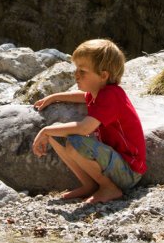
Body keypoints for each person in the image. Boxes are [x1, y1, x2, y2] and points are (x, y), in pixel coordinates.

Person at [31, 39, 146, 204]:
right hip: (114, 164)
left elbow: (85, 128)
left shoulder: (111, 95)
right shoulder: (99, 92)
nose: (76, 74)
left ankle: (109, 188)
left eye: (82, 71)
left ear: (103, 75)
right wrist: (54, 97)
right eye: (76, 69)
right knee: (57, 134)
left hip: (129, 170)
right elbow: (82, 97)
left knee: (75, 142)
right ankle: (90, 184)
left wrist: (45, 130)